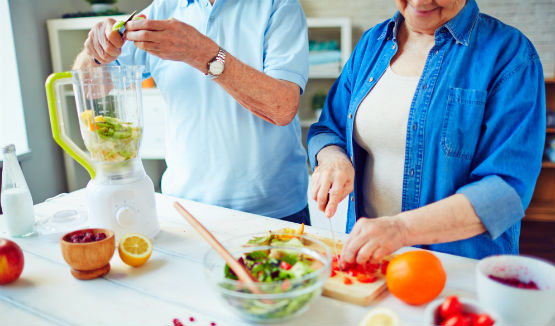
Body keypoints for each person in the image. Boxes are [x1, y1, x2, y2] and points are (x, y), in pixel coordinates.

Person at [308, 0, 546, 264]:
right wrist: (333, 158)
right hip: (371, 260)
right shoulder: (371, 43)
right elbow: (329, 128)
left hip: (456, 269)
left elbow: (505, 189)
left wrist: (401, 230)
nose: (420, 1)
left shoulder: (511, 55)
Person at [73, 0, 311, 225]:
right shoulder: (162, 8)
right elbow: (93, 87)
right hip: (185, 210)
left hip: (275, 211)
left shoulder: (279, 5)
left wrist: (202, 54)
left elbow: (281, 107)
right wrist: (94, 53)